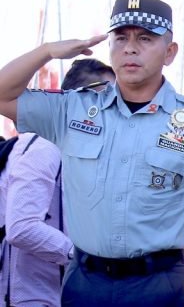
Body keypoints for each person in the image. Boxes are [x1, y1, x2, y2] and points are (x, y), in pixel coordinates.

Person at [0, 0, 184, 307]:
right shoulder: (73, 109)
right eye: (121, 37)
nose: (130, 48)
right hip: (87, 281)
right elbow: (3, 95)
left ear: (170, 52)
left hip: (158, 283)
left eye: (145, 38)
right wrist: (47, 52)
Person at [0, 61, 114, 306]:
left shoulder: (87, 150)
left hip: (62, 292)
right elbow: (22, 228)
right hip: (28, 297)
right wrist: (87, 257)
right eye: (111, 97)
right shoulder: (44, 144)